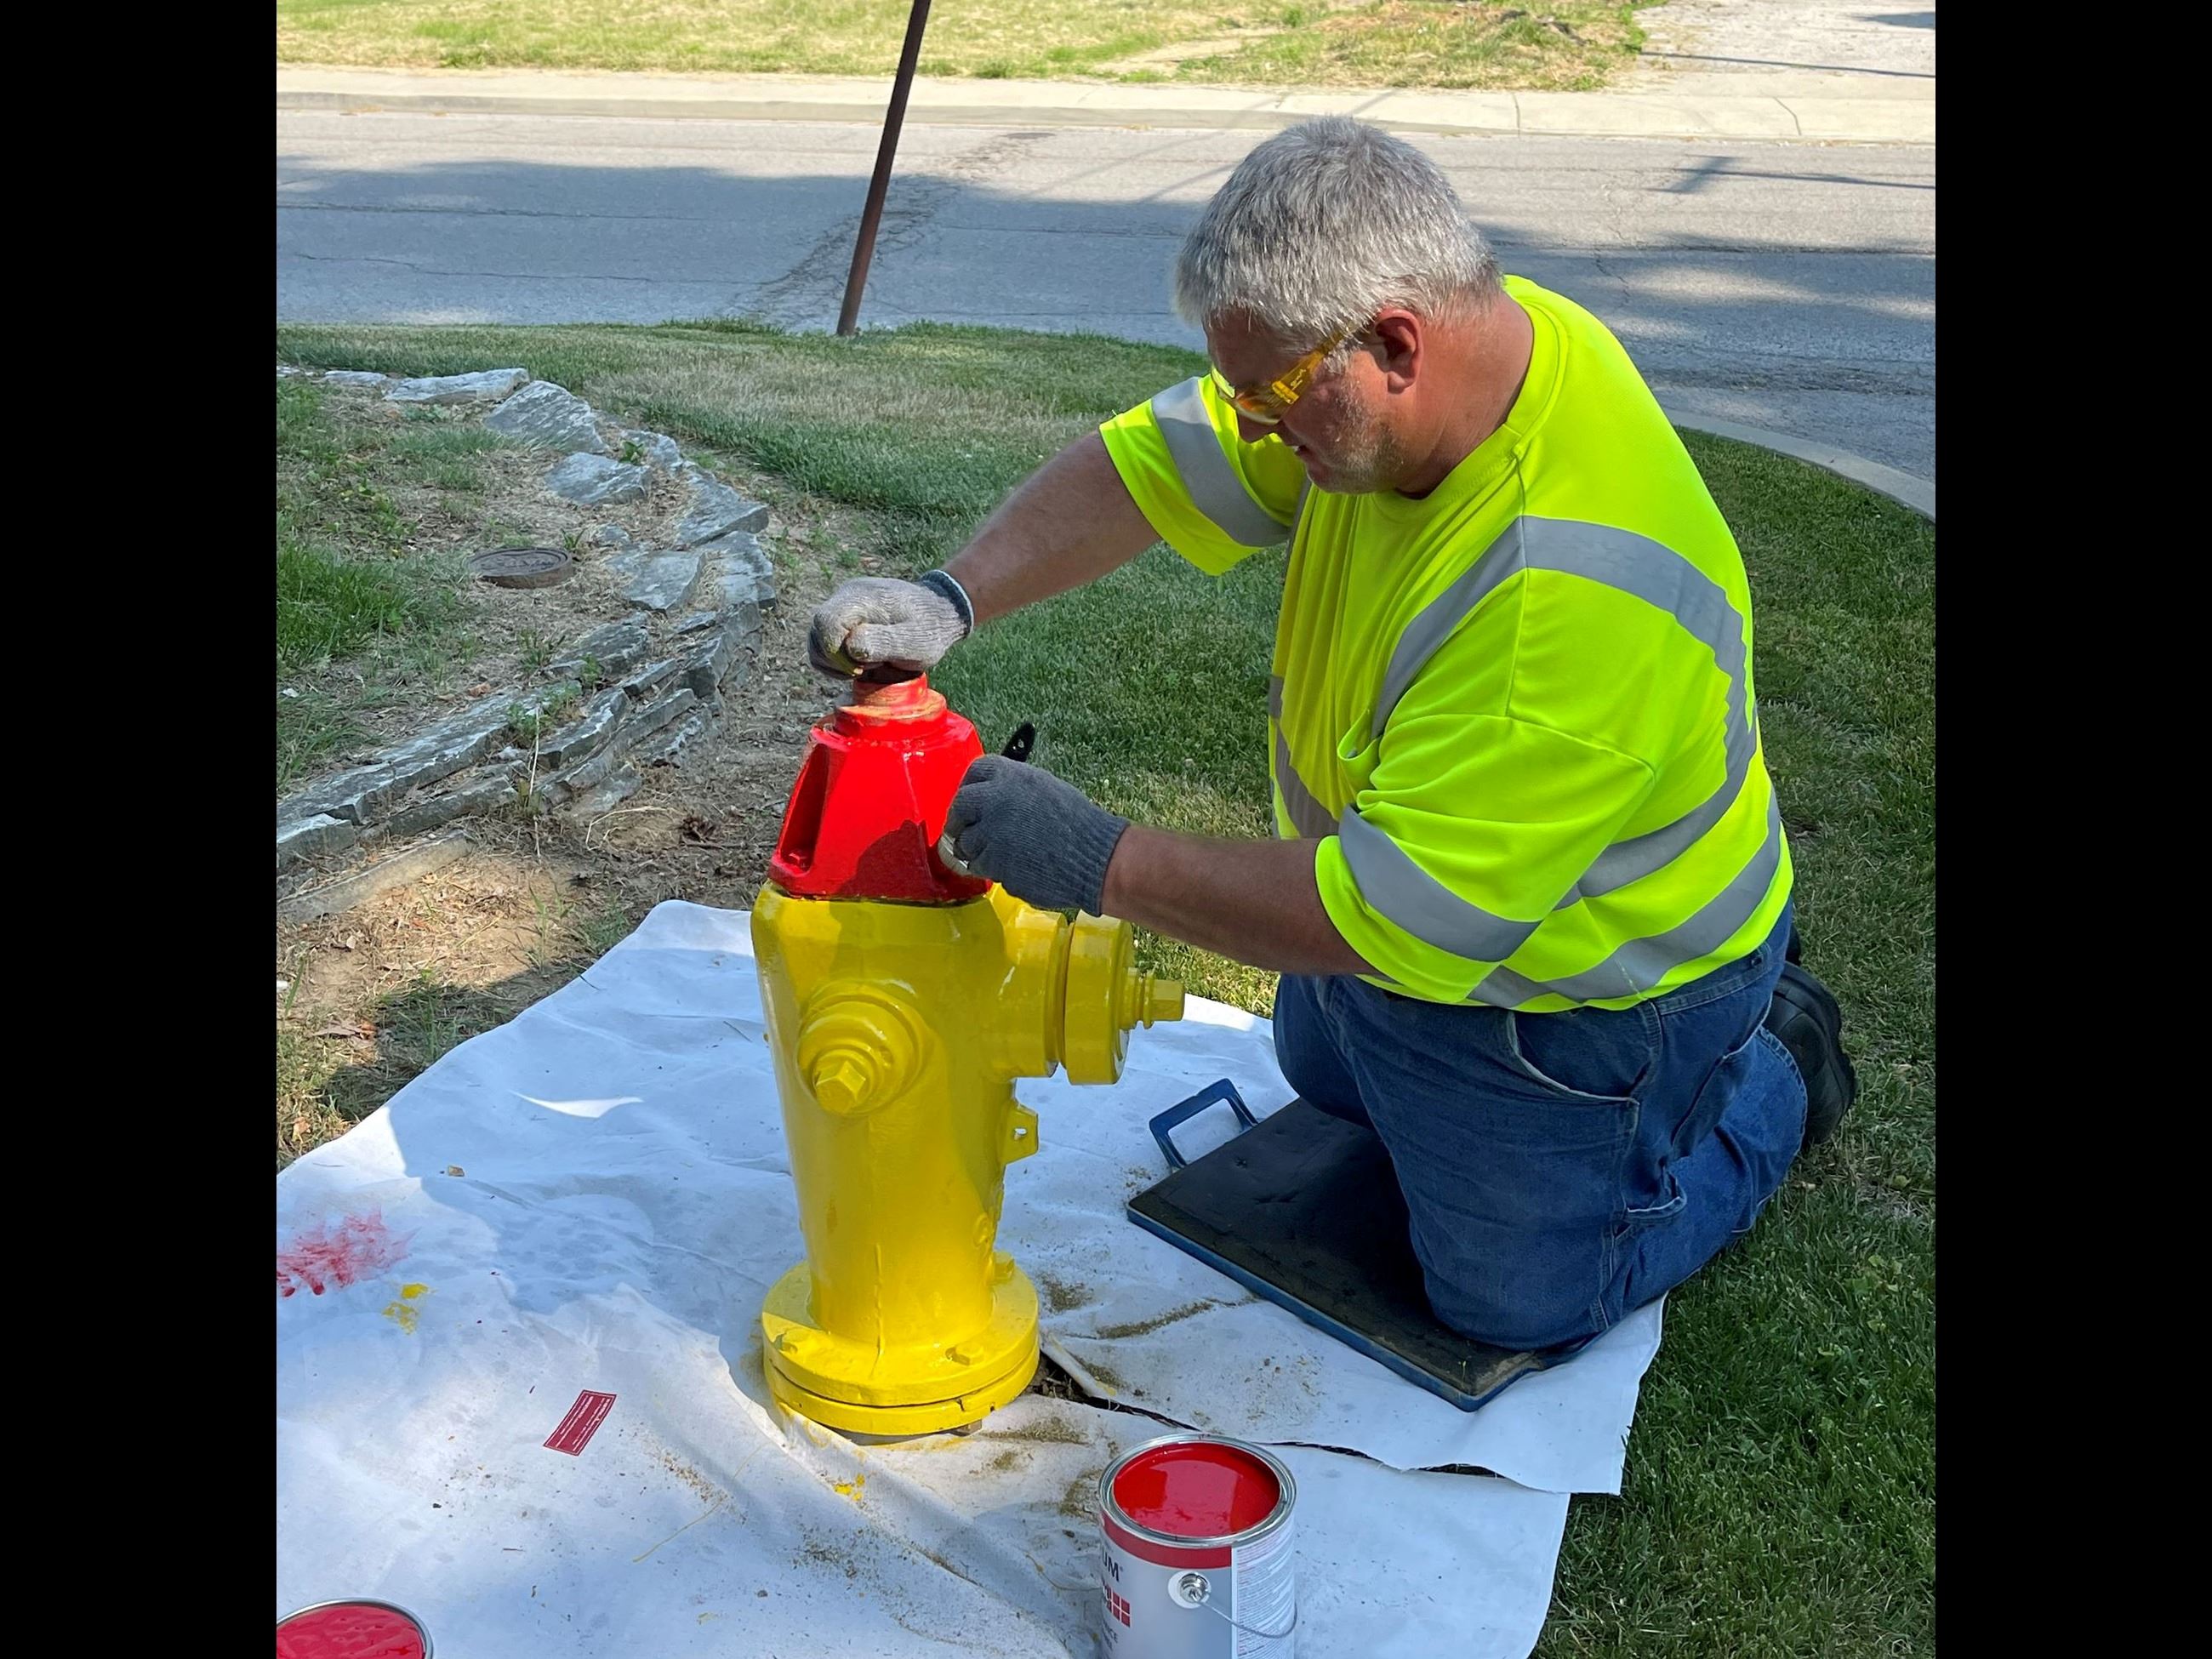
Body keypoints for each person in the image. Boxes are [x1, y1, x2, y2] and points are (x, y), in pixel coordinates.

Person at [805, 117, 1857, 1354]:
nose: (1249, 427)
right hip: (1444, 915)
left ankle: (1771, 1058)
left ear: (1396, 345)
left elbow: (1393, 914)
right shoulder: (1462, 355)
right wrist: (954, 593)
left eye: (1269, 397)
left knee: (1509, 1298)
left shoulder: (1565, 597)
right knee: (1321, 1057)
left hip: (1606, 989)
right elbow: (1154, 465)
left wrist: (1102, 861)